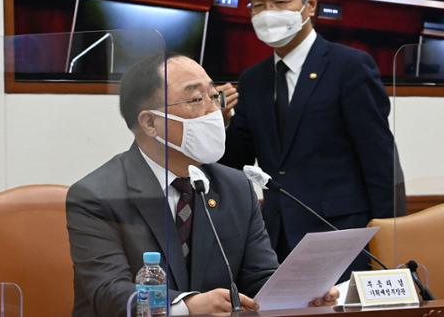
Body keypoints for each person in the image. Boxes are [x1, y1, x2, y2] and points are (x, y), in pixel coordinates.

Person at [66, 53, 337, 316]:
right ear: (150, 122)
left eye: (214, 96)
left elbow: (259, 277)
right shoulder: (96, 195)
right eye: (196, 99)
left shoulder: (236, 187)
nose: (213, 111)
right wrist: (188, 306)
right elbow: (110, 294)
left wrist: (301, 293)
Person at [219, 0, 405, 279]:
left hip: (343, 239)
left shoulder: (349, 67)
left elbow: (381, 164)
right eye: (258, 5)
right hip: (276, 241)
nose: (268, 13)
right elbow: (236, 162)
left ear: (311, 5)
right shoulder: (253, 79)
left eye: (279, 1)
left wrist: (392, 244)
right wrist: (219, 121)